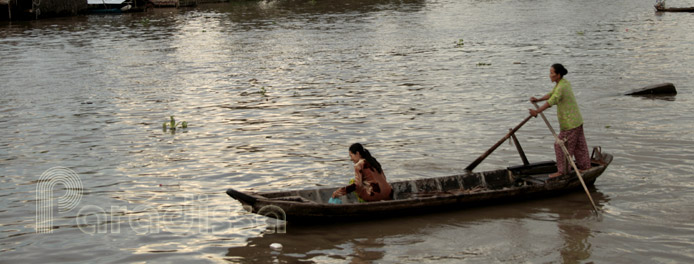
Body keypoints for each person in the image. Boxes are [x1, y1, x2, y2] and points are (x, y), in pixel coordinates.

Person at [529, 64, 591, 178]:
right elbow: (551, 94)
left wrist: (537, 112)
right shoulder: (563, 83)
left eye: (552, 73)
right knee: (579, 146)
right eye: (550, 72)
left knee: (560, 146)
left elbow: (552, 101)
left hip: (570, 123)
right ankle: (585, 167)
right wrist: (538, 99)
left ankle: (562, 172)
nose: (550, 75)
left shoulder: (562, 87)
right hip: (576, 121)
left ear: (558, 75)